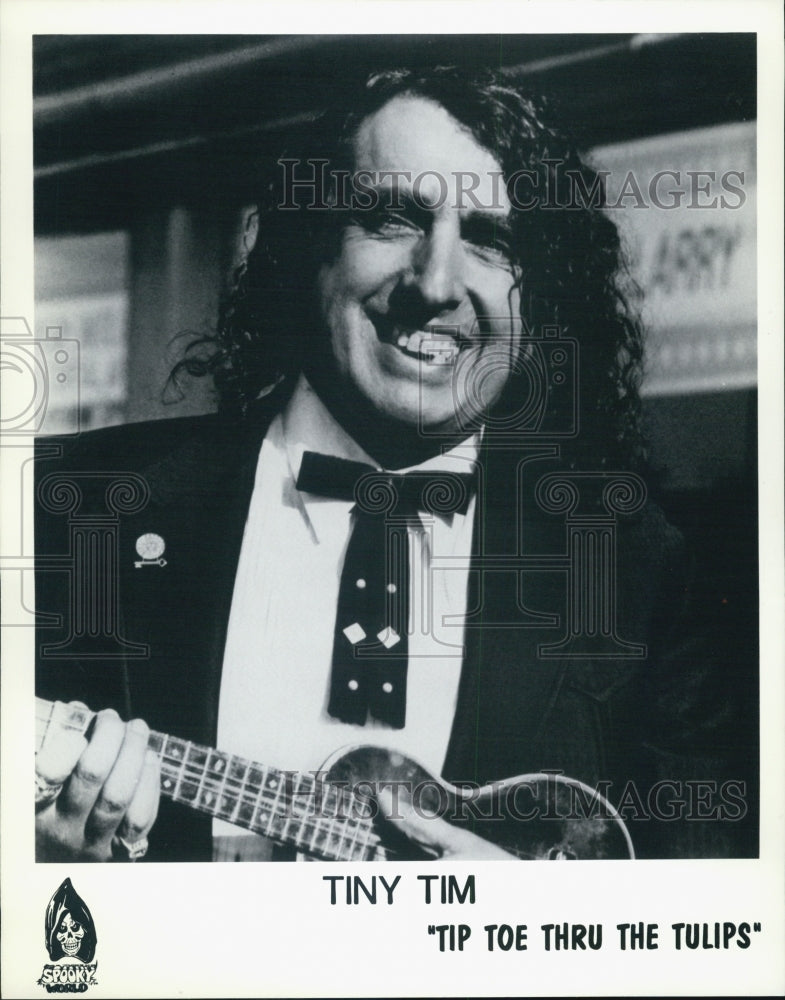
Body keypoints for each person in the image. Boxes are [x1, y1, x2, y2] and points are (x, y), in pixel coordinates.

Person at [34, 66, 755, 863]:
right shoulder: (68, 505)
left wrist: (549, 925)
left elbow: (714, 891)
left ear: (541, 298)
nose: (435, 284)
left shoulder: (635, 566)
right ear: (308, 243)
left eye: (491, 240)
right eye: (390, 218)